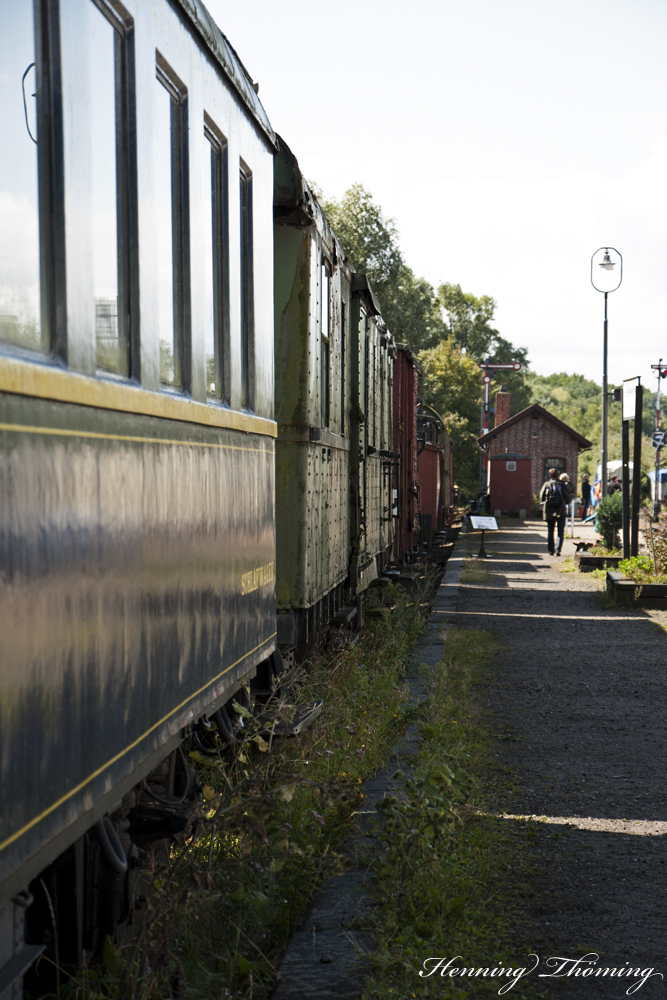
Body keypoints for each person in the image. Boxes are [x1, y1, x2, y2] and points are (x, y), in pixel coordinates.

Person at [539, 468, 573, 556]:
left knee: (550, 531)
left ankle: (551, 550)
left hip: (549, 510)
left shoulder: (546, 484)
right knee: (560, 531)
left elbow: (541, 497)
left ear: (549, 476)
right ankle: (558, 549)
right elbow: (568, 498)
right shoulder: (562, 485)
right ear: (558, 476)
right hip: (560, 510)